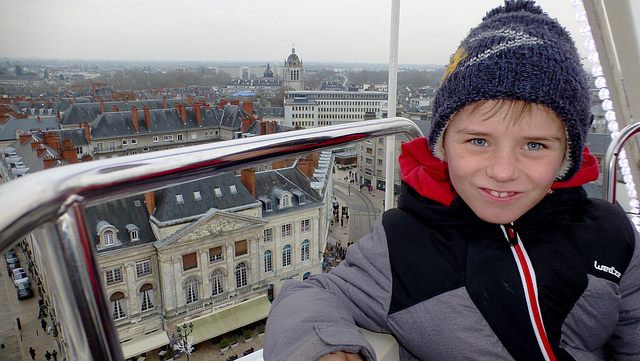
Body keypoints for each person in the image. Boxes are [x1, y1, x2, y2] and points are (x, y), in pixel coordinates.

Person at [264, 1, 640, 360]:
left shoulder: (611, 235)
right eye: (479, 141)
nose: (503, 170)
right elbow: (311, 295)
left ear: (567, 155)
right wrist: (323, 348)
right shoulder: (401, 247)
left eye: (535, 145)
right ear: (441, 144)